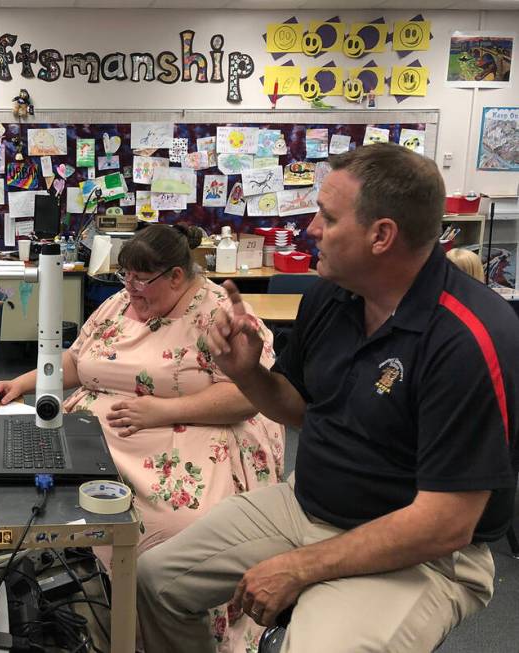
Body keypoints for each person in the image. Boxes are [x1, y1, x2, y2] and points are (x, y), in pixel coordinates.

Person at [136, 143, 519, 652]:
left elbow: (447, 523)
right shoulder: (329, 296)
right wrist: (248, 374)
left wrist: (298, 567)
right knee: (154, 579)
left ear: (381, 235)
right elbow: (299, 407)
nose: (311, 229)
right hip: (307, 502)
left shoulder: (469, 338)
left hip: (421, 553)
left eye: (327, 217)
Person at [0, 223, 285, 651]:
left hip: (189, 434)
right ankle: (101, 608)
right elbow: (77, 360)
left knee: (177, 527)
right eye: (123, 277)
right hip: (105, 438)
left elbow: (248, 396)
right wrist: (23, 382)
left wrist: (162, 410)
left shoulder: (219, 315)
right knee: (50, 495)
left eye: (141, 281)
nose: (130, 290)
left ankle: (164, 626)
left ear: (177, 277)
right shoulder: (120, 302)